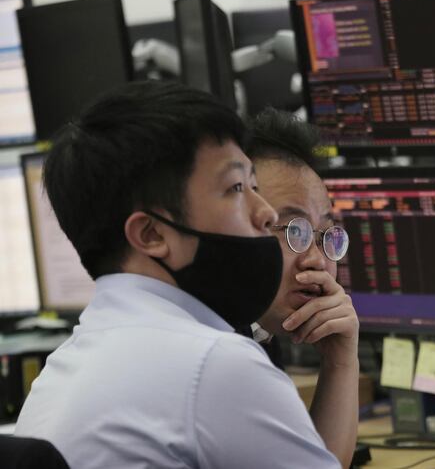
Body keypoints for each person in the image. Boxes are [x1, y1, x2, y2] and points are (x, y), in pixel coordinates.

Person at [14, 81, 342, 468]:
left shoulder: (69, 360)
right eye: (237, 187)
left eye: (255, 186)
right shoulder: (215, 364)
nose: (265, 213)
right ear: (151, 234)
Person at [243, 110, 359, 466]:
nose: (318, 262)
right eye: (294, 230)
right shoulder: (219, 356)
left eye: (325, 234)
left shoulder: (256, 335)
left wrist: (341, 360)